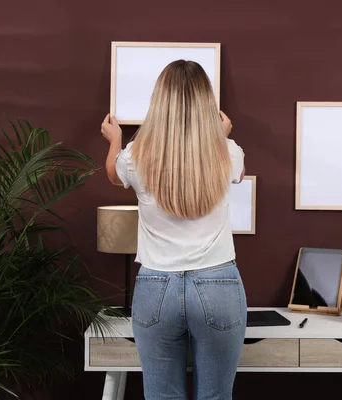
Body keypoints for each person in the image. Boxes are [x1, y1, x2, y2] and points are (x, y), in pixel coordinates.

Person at [100, 59, 247, 400]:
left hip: (156, 286)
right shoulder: (227, 152)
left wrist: (115, 140)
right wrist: (220, 136)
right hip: (218, 284)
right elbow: (236, 174)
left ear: (159, 101)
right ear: (205, 104)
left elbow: (112, 172)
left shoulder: (136, 155)